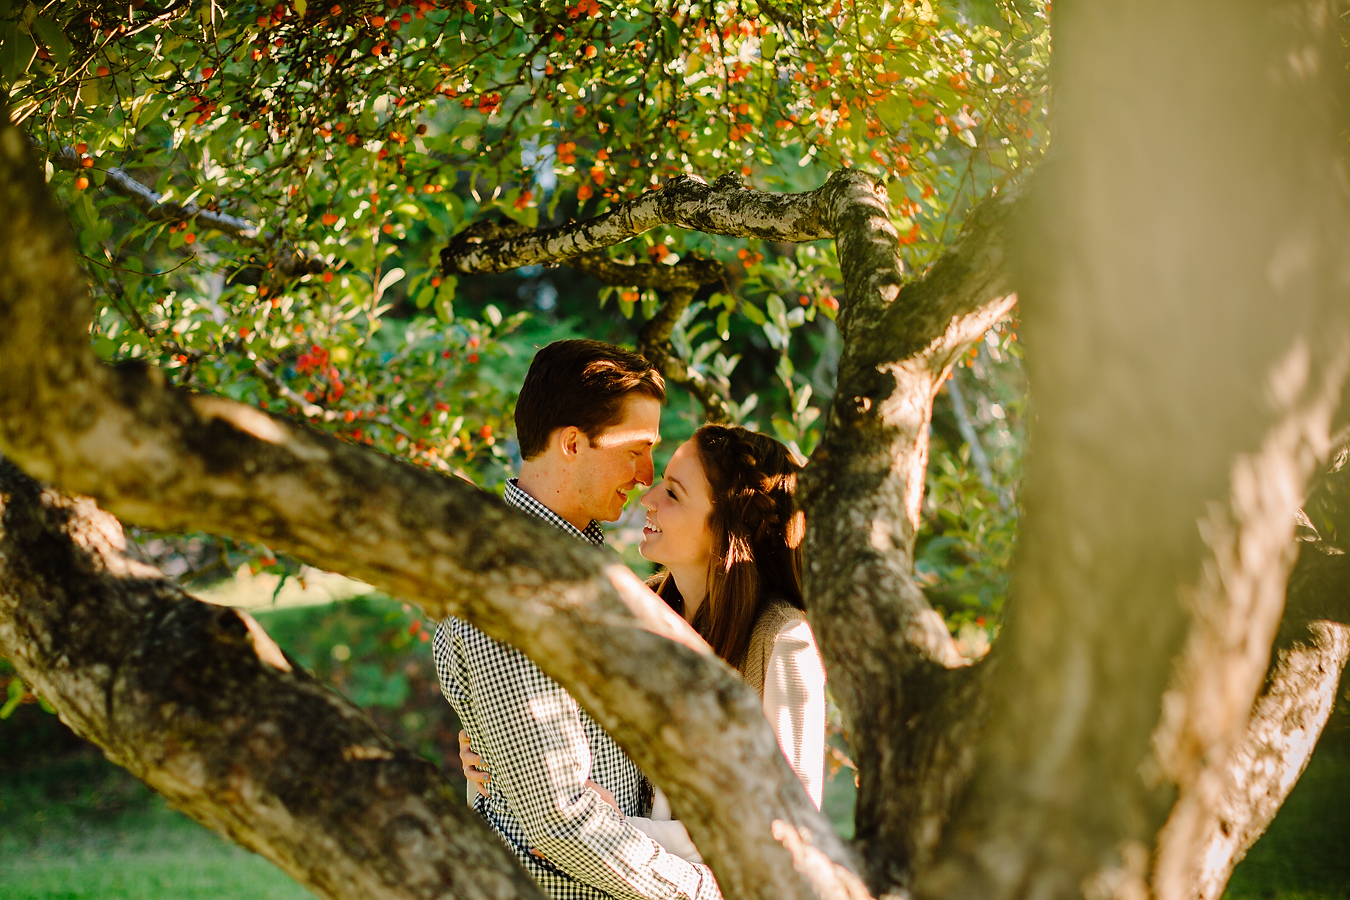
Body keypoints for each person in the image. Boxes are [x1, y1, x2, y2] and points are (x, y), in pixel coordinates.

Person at [461, 423, 828, 865]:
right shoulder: (639, 609)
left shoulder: (784, 641)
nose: (647, 499)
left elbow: (786, 827)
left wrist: (614, 832)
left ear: (732, 523)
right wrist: (498, 752)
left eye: (673, 493)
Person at [433, 339, 722, 900]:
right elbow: (560, 821)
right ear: (571, 443)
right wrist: (703, 893)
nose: (646, 476)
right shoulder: (511, 590)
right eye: (636, 449)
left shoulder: (578, 567)